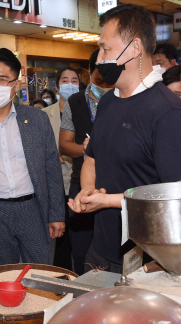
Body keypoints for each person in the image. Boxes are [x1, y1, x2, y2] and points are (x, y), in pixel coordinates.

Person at [69, 4, 181, 273]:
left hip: (147, 259)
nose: (99, 57)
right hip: (101, 248)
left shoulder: (167, 112)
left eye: (106, 48)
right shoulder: (107, 103)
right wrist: (88, 191)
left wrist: (108, 200)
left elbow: (179, 196)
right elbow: (91, 160)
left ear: (135, 48)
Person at [0, 48, 64, 267]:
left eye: (2, 79)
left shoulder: (37, 119)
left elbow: (52, 169)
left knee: (40, 274)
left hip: (32, 209)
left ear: (15, 85)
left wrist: (56, 213)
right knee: (2, 276)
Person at [58, 48, 114, 274]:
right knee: (81, 247)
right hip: (80, 183)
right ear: (89, 73)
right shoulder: (75, 102)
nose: (104, 86)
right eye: (98, 79)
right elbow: (64, 144)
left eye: (108, 81)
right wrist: (84, 150)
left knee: (111, 247)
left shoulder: (121, 98)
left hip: (113, 184)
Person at [42, 67, 81, 270]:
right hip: (55, 188)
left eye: (74, 80)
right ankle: (61, 280)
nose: (70, 84)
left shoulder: (86, 111)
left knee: (81, 241)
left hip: (80, 183)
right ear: (57, 86)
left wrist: (67, 155)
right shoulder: (43, 115)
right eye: (65, 80)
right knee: (60, 243)